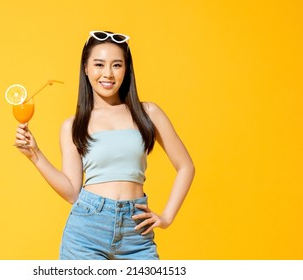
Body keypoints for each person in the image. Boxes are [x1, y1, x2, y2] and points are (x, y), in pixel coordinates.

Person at [14, 31, 195, 260]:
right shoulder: (74, 125)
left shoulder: (148, 113)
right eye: (99, 64)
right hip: (86, 230)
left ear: (126, 69)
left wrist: (167, 218)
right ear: (86, 68)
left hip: (136, 231)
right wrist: (35, 155)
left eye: (116, 65)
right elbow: (71, 192)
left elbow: (186, 166)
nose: (108, 74)